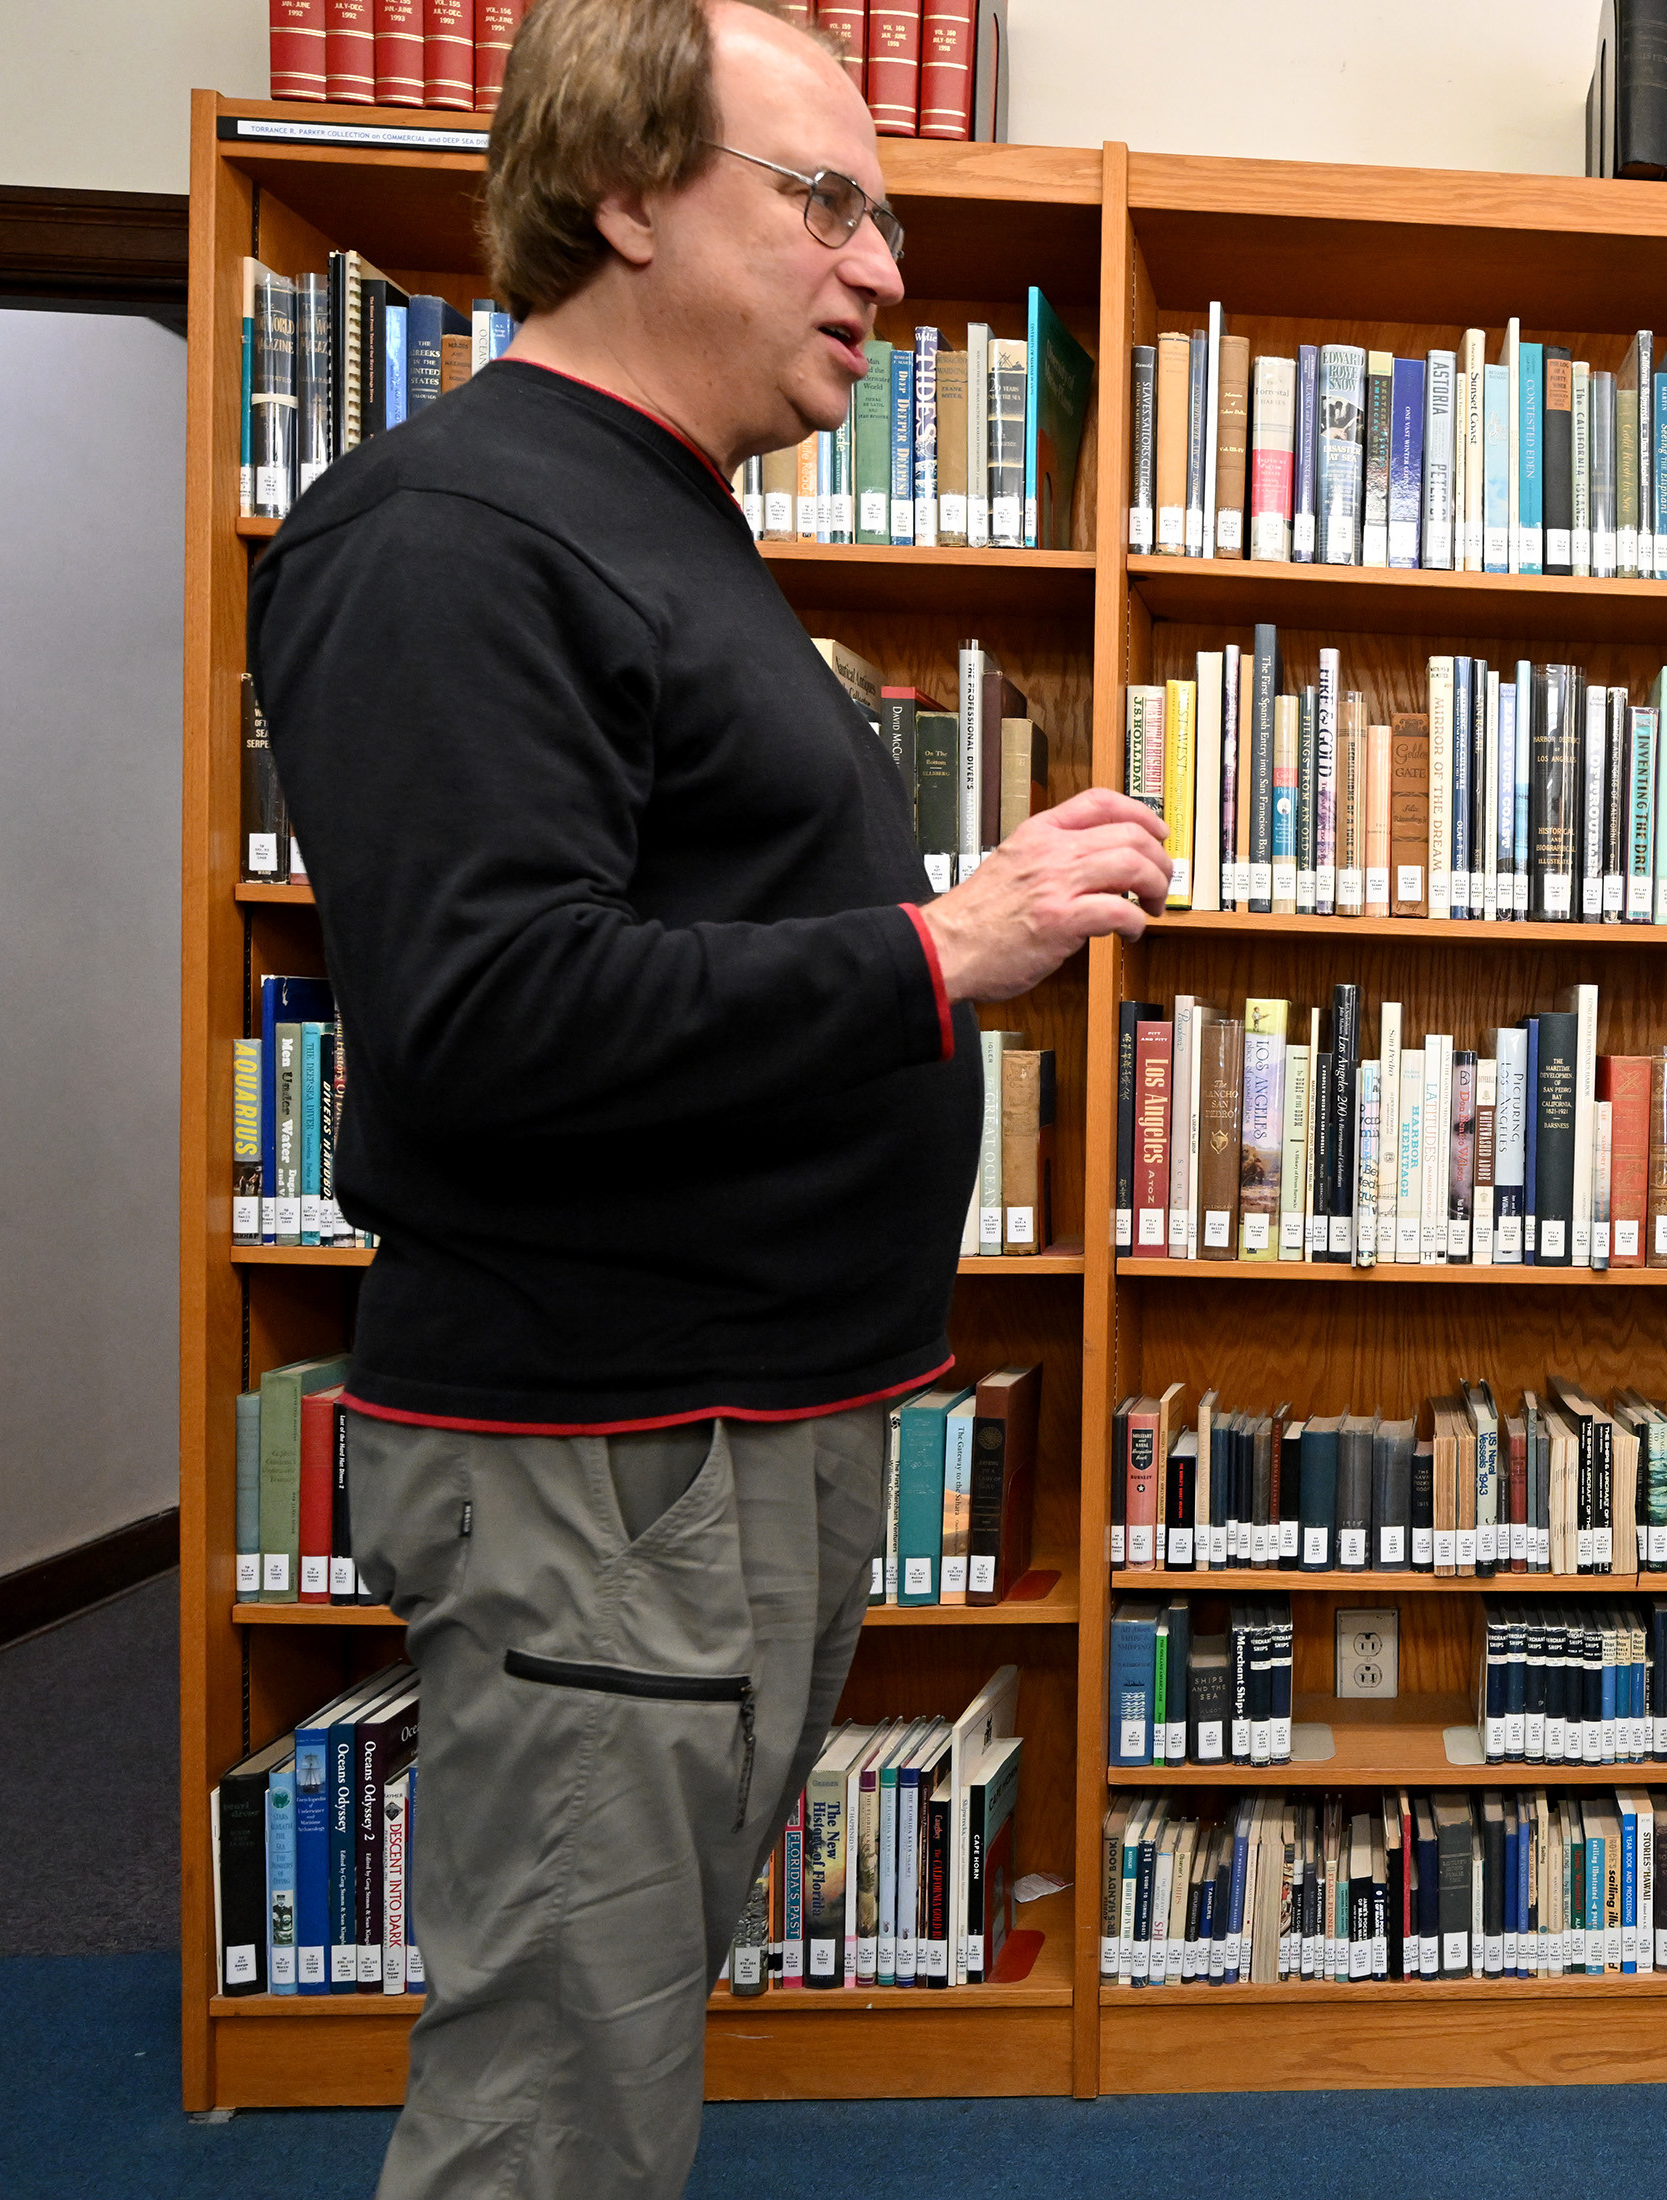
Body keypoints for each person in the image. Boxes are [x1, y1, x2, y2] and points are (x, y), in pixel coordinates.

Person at [246, 2, 1169, 2192]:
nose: (885, 270)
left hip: (728, 1443)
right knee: (557, 2087)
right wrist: (950, 945)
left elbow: (675, 934)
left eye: (889, 213)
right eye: (827, 197)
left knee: (621, 2030)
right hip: (611, 1465)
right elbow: (487, 1011)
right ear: (626, 191)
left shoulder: (656, 520)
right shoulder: (461, 529)